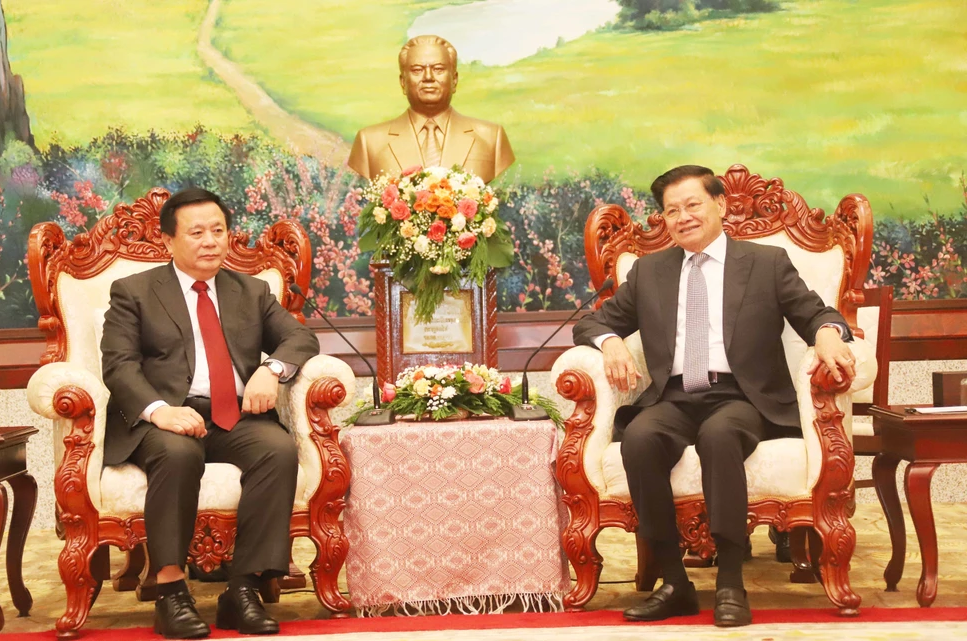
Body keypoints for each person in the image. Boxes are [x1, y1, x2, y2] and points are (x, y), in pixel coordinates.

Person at [572, 165, 856, 627]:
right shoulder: (649, 271)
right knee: (640, 439)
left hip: (742, 397)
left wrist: (826, 334)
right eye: (671, 210)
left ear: (720, 205)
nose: (682, 217)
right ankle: (673, 582)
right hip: (676, 396)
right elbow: (592, 322)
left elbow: (815, 312)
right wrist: (611, 341)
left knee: (720, 435)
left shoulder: (765, 263)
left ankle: (729, 581)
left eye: (692, 205)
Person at [100, 188, 320, 638]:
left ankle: (243, 592)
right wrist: (160, 411)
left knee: (277, 450)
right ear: (168, 241)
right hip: (165, 417)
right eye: (197, 232)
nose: (211, 241)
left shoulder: (252, 291)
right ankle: (171, 592)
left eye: (218, 230)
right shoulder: (134, 292)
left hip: (232, 415)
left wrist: (271, 369)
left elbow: (300, 339)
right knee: (180, 455)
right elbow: (118, 365)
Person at [347, 35, 514, 183]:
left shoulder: (491, 138)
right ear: (403, 82)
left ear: (454, 80)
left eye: (439, 69)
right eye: (417, 70)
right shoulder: (369, 142)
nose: (428, 77)